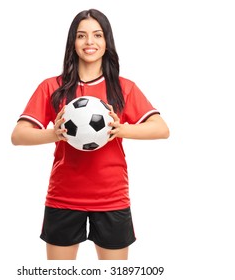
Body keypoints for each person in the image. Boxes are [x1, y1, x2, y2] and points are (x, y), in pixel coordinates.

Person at [11, 9, 169, 260]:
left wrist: (122, 129)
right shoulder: (52, 87)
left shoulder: (123, 88)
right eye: (81, 36)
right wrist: (55, 133)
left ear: (107, 42)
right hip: (63, 197)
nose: (90, 42)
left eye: (97, 35)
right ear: (72, 42)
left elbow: (161, 129)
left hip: (112, 198)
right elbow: (18, 135)